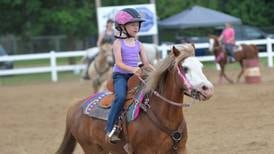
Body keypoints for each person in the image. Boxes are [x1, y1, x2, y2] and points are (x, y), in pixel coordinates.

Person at [105, 8, 154, 143]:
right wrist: (132, 69)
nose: (136, 27)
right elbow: (119, 63)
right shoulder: (117, 43)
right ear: (122, 26)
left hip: (135, 75)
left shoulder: (139, 44)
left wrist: (156, 71)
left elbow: (146, 63)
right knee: (120, 97)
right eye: (132, 24)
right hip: (120, 76)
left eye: (137, 24)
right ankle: (110, 129)